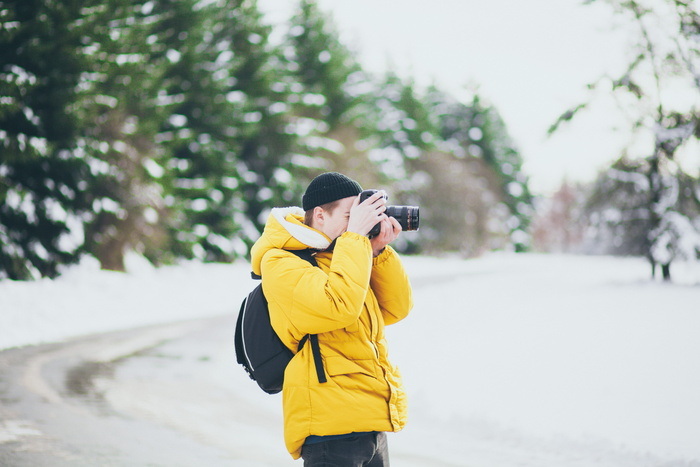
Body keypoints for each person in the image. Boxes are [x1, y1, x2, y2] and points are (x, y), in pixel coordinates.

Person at [250, 172, 413, 465]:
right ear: (320, 215)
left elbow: (396, 308)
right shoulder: (281, 261)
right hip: (330, 428)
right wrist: (356, 239)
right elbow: (337, 307)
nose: (358, 224)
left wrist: (377, 252)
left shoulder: (346, 254)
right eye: (351, 216)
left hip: (371, 421)